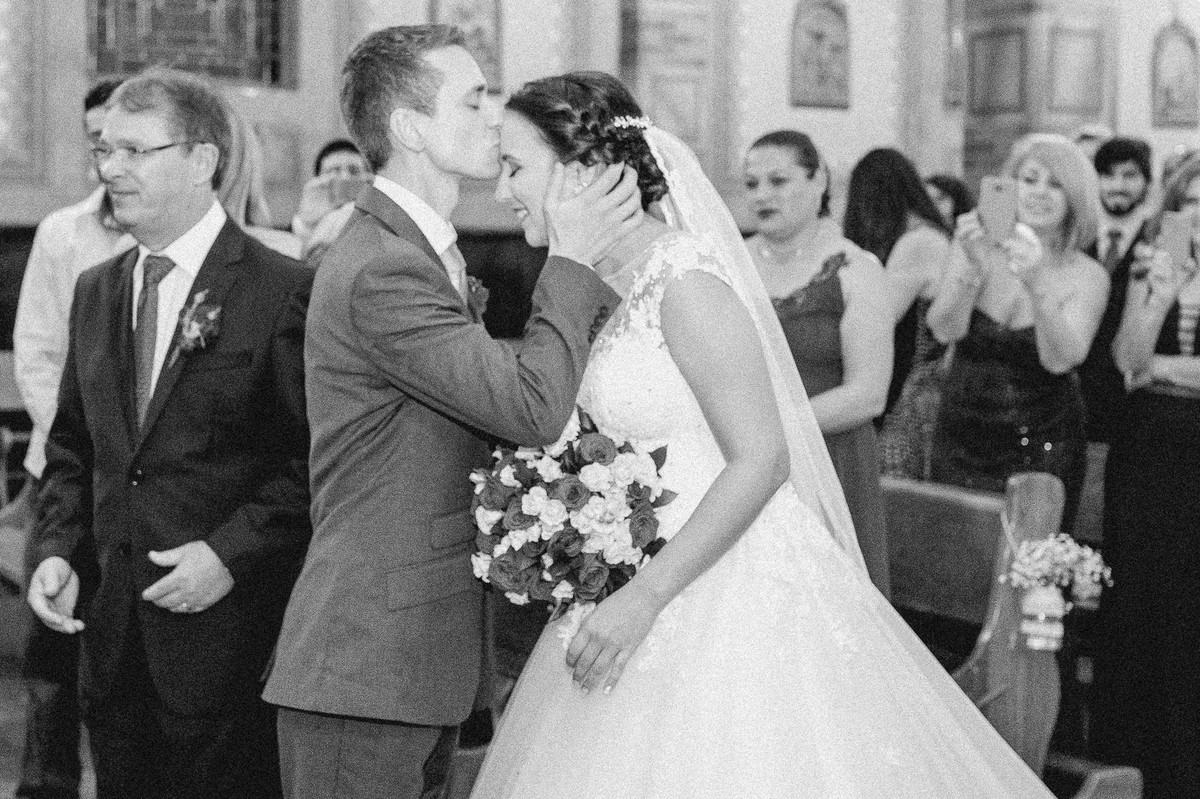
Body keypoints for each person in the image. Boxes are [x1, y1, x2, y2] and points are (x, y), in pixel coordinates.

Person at [469, 69, 1058, 799]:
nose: (501, 191)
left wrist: (644, 596)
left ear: (585, 171)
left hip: (715, 591)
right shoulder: (591, 280)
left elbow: (762, 457)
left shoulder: (685, 282)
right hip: (628, 575)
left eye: (515, 167)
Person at [261, 27, 641, 799]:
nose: (494, 116)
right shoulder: (382, 268)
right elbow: (530, 405)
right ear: (410, 129)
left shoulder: (421, 249)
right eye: (473, 98)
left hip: (412, 659)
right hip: (365, 664)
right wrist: (568, 258)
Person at [25, 68, 313, 799]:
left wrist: (229, 553)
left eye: (134, 150)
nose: (110, 168)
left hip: (229, 649)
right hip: (113, 643)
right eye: (104, 150)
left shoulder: (281, 289)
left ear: (201, 161)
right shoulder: (97, 290)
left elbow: (314, 462)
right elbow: (72, 450)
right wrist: (60, 549)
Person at [12, 77, 131, 799]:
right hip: (62, 466)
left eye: (117, 137)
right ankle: (46, 783)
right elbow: (36, 349)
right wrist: (78, 441)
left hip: (139, 474)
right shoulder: (64, 231)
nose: (104, 152)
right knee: (49, 648)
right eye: (94, 138)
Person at [928, 133, 1107, 532]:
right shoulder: (974, 246)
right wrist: (972, 268)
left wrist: (1036, 280)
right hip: (961, 430)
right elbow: (943, 329)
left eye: (1056, 184)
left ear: (1074, 197)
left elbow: (1060, 359)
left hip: (1044, 442)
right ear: (1011, 186)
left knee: (1029, 569)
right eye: (1030, 179)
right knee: (953, 558)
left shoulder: (1088, 275)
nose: (1040, 192)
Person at [1091, 153, 1200, 799]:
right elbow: (1127, 362)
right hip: (1149, 450)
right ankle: (1131, 768)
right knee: (1141, 607)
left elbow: (1151, 370)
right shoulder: (1154, 264)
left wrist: (1163, 370)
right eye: (1191, 201)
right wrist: (1158, 297)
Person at [743, 130, 891, 596]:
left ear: (819, 179)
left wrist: (770, 430)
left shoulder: (856, 269)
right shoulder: (730, 262)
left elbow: (868, 394)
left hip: (832, 456)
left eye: (778, 180)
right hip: (742, 459)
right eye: (751, 184)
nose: (762, 194)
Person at [843, 148, 953, 480]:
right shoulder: (924, 235)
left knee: (898, 488)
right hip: (910, 384)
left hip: (915, 390)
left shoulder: (919, 241)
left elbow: (880, 317)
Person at [290, 138, 372, 260]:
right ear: (317, 180)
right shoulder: (292, 231)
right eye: (333, 171)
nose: (345, 178)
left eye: (354, 171)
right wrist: (305, 224)